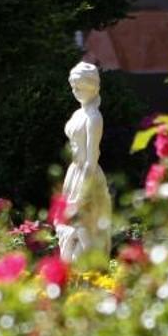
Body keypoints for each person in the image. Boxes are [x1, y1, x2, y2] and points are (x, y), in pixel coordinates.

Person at [58, 61, 112, 266]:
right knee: (67, 225)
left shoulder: (94, 118)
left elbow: (92, 157)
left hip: (87, 175)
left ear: (93, 87)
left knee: (84, 224)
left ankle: (91, 269)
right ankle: (72, 271)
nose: (75, 91)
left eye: (80, 86)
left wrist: (82, 193)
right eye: (73, 86)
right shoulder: (78, 114)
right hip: (74, 173)